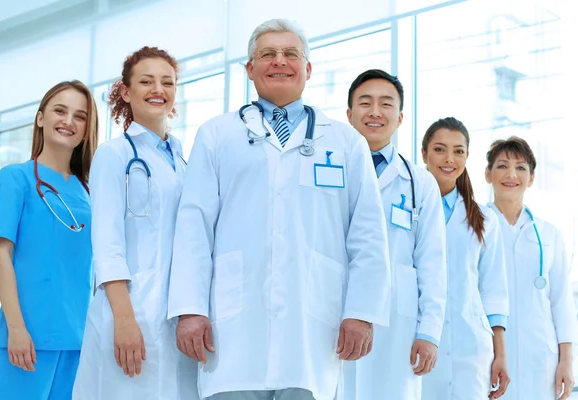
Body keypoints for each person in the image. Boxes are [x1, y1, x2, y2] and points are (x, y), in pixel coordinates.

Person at [168, 19, 390, 400]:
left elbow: (368, 235)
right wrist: (190, 309)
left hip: (313, 328)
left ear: (308, 69)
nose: (279, 62)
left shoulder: (345, 142)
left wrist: (361, 312)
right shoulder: (217, 135)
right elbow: (194, 227)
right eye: (267, 54)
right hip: (231, 330)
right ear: (250, 69)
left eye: (290, 54)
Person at [72, 46, 198, 399]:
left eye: (167, 82)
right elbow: (107, 243)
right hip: (129, 309)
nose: (158, 89)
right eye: (146, 81)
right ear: (126, 92)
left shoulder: (183, 160)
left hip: (175, 314)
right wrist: (125, 320)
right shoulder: (114, 155)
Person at [0, 80, 98, 399]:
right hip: (26, 339)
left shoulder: (89, 190)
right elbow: (1, 254)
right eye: (59, 111)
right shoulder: (16, 178)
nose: (68, 121)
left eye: (80, 116)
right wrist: (17, 329)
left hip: (78, 340)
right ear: (40, 118)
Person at [340, 69, 447, 400]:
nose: (375, 112)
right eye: (365, 103)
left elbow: (431, 263)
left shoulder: (420, 183)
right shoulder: (329, 171)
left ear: (399, 117)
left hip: (397, 325)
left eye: (385, 104)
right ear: (349, 114)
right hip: (336, 313)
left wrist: (429, 332)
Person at [420, 117, 510, 400]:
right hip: (419, 341)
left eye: (458, 151)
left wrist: (500, 355)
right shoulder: (407, 207)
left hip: (471, 347)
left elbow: (494, 292)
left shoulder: (485, 219)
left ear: (467, 156)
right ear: (424, 154)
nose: (449, 159)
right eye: (439, 149)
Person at [485, 136, 576, 399]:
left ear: (532, 178)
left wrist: (566, 361)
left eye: (521, 167)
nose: (511, 174)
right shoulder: (475, 227)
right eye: (502, 166)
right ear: (488, 174)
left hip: (541, 358)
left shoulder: (548, 234)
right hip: (488, 355)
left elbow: (561, 302)